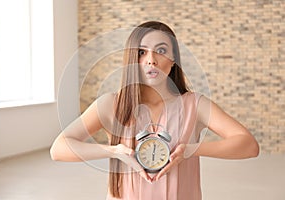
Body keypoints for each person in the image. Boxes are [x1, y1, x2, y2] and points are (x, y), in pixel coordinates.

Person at [50, 21, 259, 200]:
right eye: (142, 52)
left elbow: (248, 145)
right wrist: (114, 151)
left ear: (174, 59)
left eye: (161, 50)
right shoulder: (112, 105)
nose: (151, 59)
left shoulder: (195, 105)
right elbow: (58, 149)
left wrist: (191, 150)